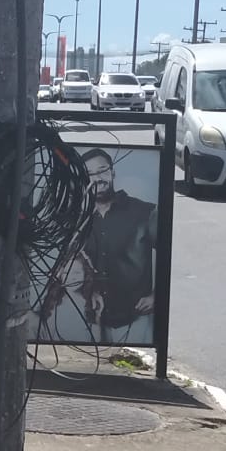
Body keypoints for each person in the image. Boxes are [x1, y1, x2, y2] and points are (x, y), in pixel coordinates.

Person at [77, 147, 157, 344]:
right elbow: (72, 265)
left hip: (136, 318)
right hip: (93, 319)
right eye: (91, 174)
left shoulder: (144, 211)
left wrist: (156, 295)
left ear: (112, 172)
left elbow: (167, 255)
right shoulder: (78, 218)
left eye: (103, 170)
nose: (98, 178)